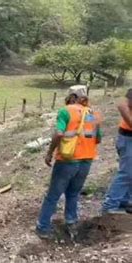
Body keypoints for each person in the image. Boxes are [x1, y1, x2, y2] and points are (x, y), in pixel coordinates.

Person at [36, 85, 103, 239]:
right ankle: (71, 223)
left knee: (53, 195)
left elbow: (59, 133)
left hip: (67, 160)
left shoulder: (65, 111)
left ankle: (43, 227)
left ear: (72, 97)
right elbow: (98, 138)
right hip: (86, 160)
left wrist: (49, 153)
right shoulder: (93, 114)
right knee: (73, 193)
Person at [102, 89, 132, 214]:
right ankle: (110, 205)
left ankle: (125, 201)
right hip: (128, 137)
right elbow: (122, 105)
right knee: (127, 173)